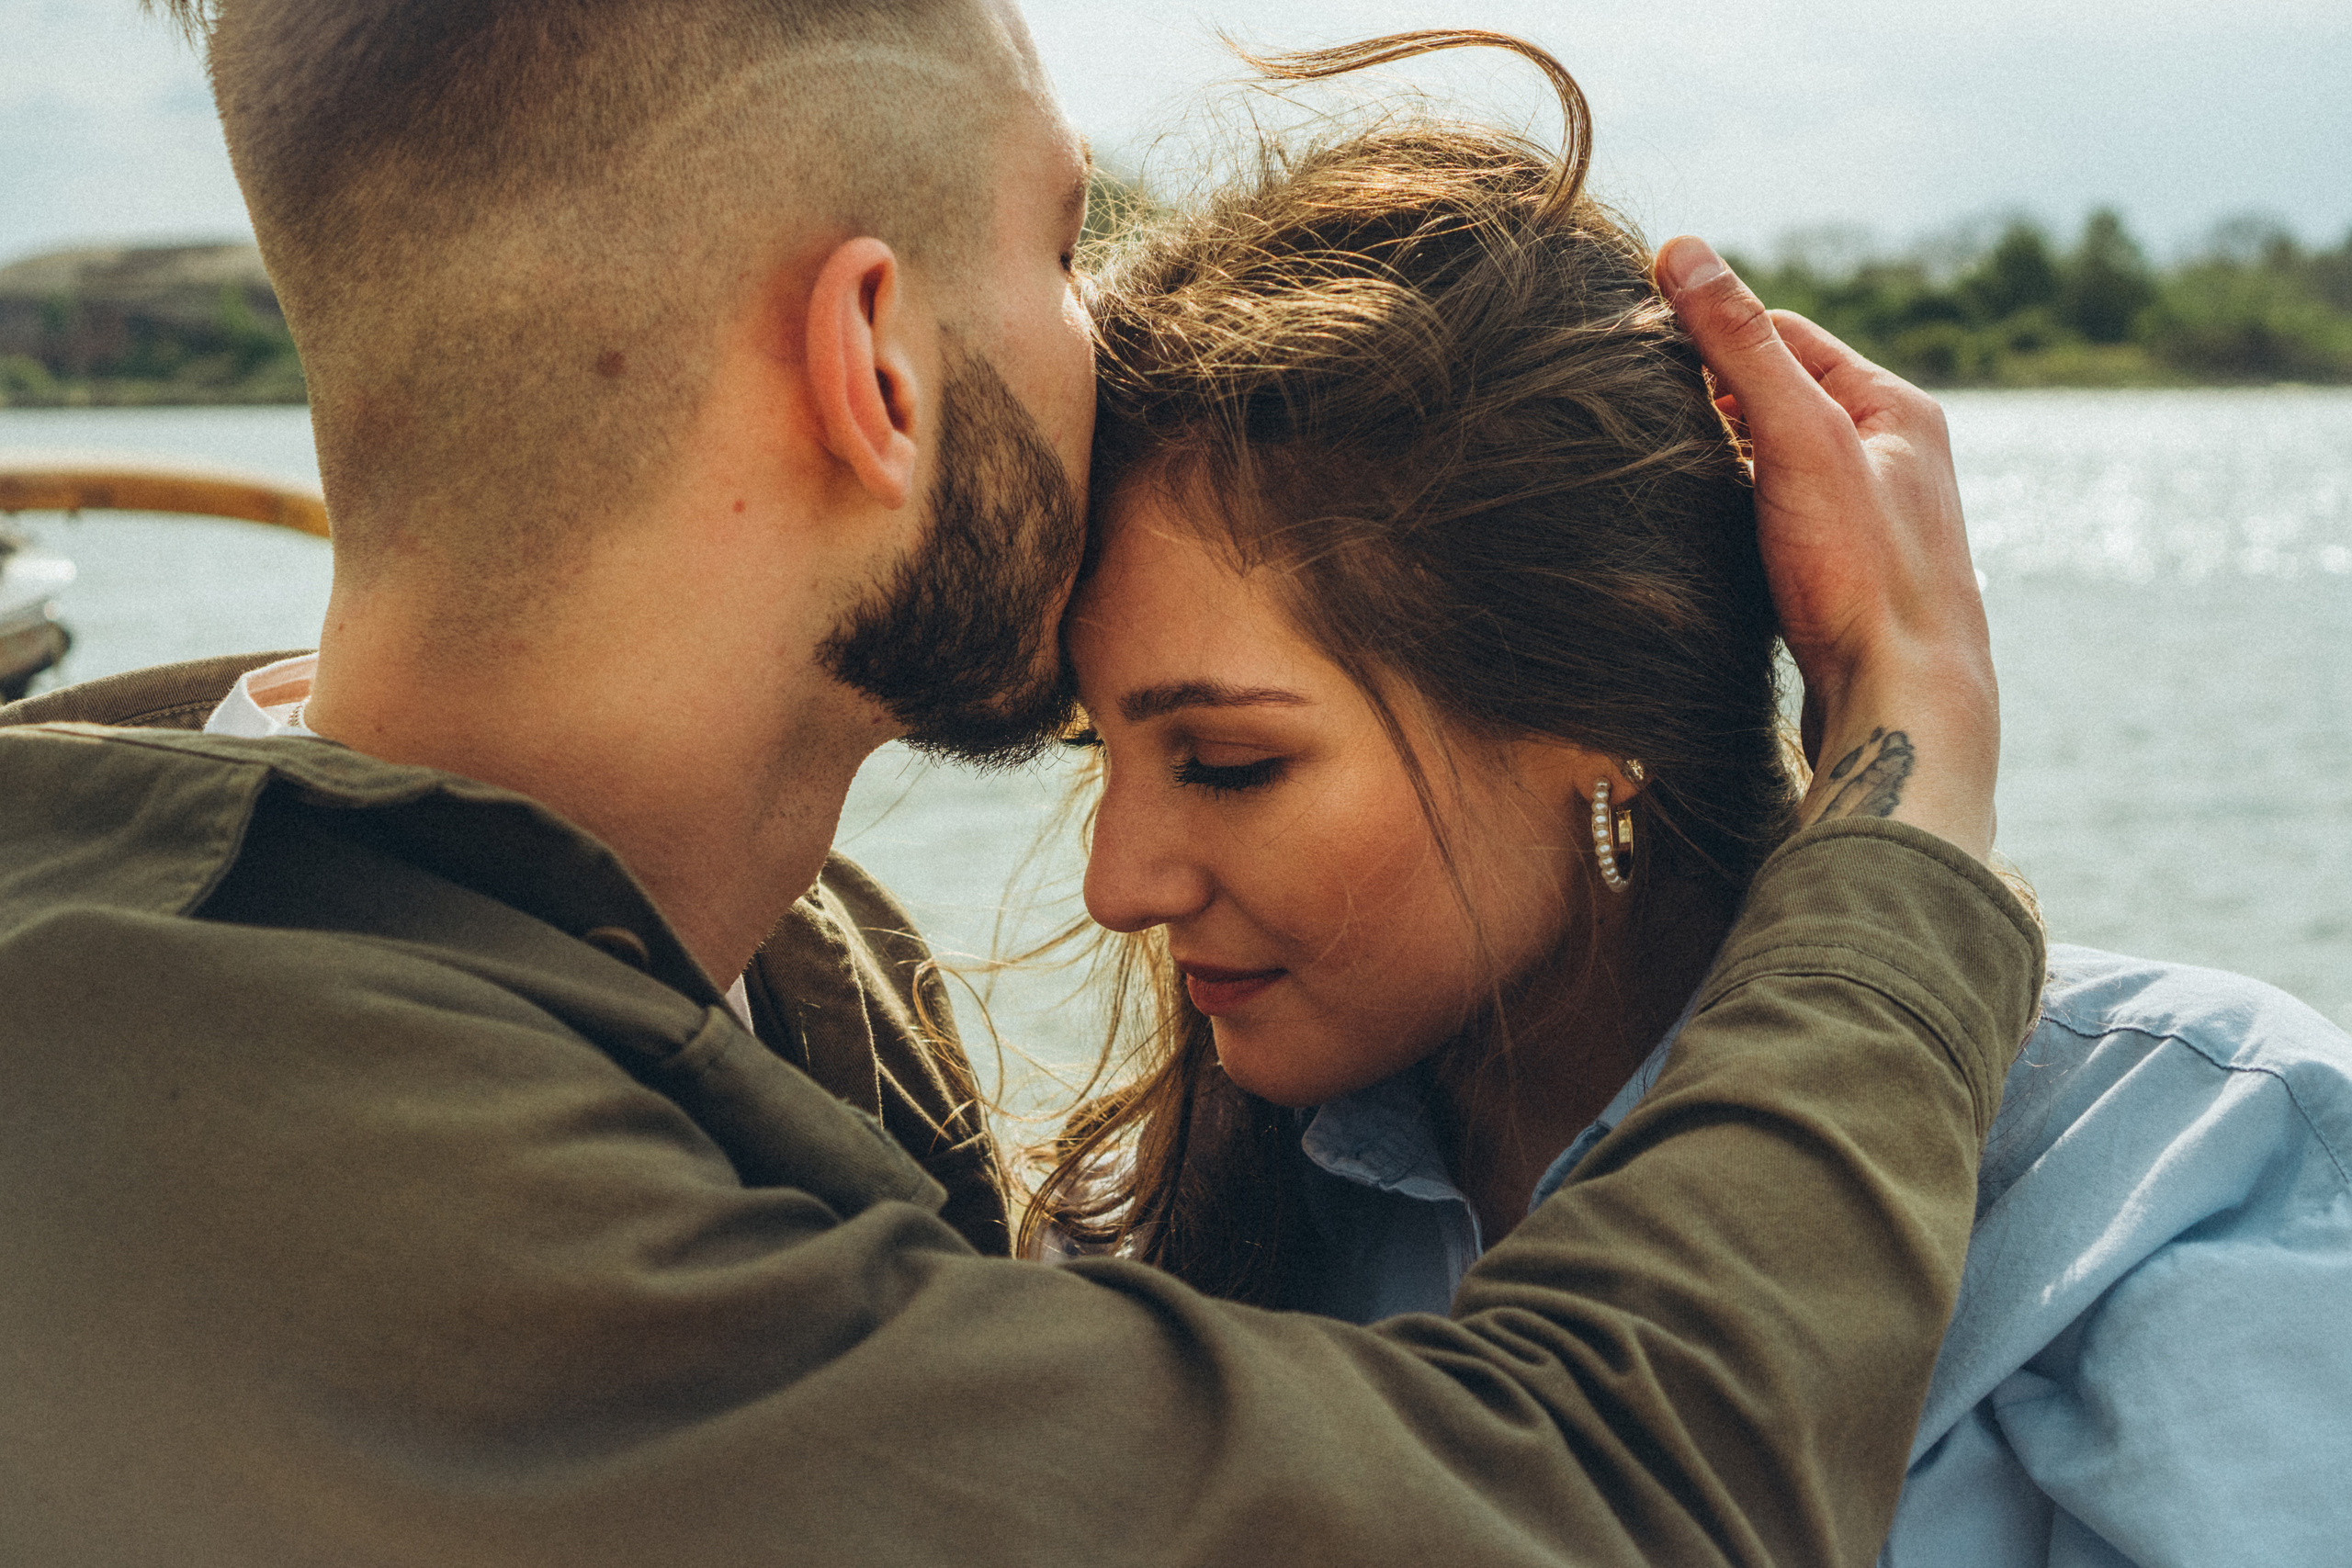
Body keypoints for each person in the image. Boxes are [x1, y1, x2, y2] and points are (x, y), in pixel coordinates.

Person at [0, 6, 2041, 1564]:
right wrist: (1902, 763)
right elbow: (1610, 1499)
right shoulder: (414, 1212)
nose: (1113, 339)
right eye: (1063, 242)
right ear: (872, 365)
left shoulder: (753, 979)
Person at [1046, 33, 2352, 1568]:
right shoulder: (1142, 1224)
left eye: (1227, 763)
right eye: (1098, 757)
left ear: (1599, 724)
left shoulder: (2172, 1164)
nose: (1115, 881)